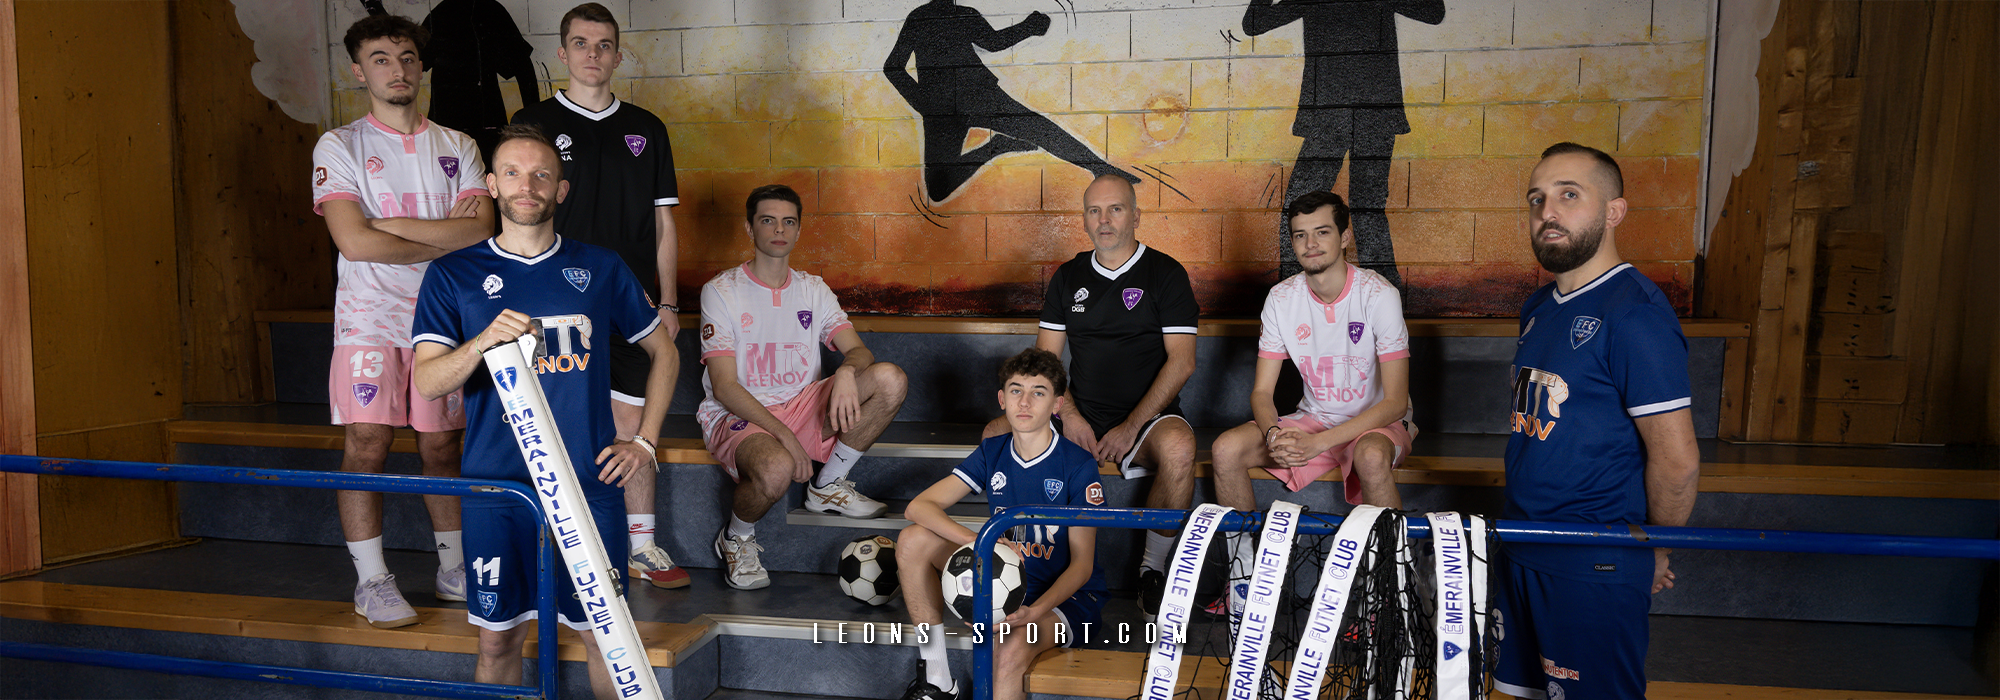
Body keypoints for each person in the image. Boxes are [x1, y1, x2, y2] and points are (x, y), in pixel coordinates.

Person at [410, 124, 679, 697]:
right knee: (497, 641)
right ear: (491, 185)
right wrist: (482, 342)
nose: (526, 186)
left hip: (587, 485)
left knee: (607, 639)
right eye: (512, 173)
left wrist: (645, 442)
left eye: (541, 175)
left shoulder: (600, 267)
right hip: (497, 488)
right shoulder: (452, 273)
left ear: (561, 189)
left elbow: (665, 352)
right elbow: (428, 381)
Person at [1493, 142, 1700, 700]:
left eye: (1569, 195)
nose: (1547, 211)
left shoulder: (1635, 314)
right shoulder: (1539, 307)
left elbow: (1677, 461)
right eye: (1536, 198)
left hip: (1592, 559)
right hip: (1521, 545)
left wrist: (1655, 548)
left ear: (1614, 211)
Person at [311, 13, 494, 629]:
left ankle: (453, 570)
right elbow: (354, 243)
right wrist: (440, 238)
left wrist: (386, 226)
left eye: (408, 57)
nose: (398, 69)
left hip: (442, 318)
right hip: (368, 319)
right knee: (368, 443)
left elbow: (481, 232)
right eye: (381, 59)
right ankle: (372, 582)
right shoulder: (339, 146)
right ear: (359, 71)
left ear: (422, 66)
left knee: (442, 446)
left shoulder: (459, 145)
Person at [510, 2, 689, 590]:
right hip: (554, 302)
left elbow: (664, 223)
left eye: (604, 44)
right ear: (563, 53)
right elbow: (516, 212)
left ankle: (642, 545)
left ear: (618, 54)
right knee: (553, 422)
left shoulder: (647, 127)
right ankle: (555, 543)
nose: (593, 54)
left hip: (629, 301)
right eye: (582, 44)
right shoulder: (534, 121)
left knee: (631, 424)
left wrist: (668, 301)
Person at [983, 173, 1197, 622]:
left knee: (1180, 448)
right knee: (995, 433)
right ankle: (1008, 556)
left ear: (1136, 215)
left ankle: (1153, 570)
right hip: (1076, 411)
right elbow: (1045, 364)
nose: (1104, 220)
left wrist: (1131, 427)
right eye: (1094, 210)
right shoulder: (1069, 277)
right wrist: (1071, 416)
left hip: (1147, 419)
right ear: (1083, 218)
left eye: (1115, 209)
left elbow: (1182, 363)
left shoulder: (1165, 273)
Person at [1208, 190, 1415, 616]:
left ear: (1345, 237)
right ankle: (1244, 583)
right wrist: (1273, 434)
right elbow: (1261, 393)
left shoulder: (1378, 294)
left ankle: (1386, 600)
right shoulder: (1282, 299)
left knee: (1370, 455)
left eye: (1322, 232)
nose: (1311, 244)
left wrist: (1317, 444)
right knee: (1225, 448)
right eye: (1300, 235)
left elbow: (1395, 403)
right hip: (1314, 420)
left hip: (1375, 422)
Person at [696, 184, 907, 590]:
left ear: (798, 230)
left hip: (801, 404)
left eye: (788, 221)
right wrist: (786, 437)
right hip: (740, 413)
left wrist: (845, 373)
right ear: (750, 228)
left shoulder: (813, 288)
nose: (779, 229)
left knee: (889, 379)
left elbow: (858, 351)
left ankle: (827, 485)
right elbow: (724, 387)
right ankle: (736, 537)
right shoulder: (721, 291)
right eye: (768, 220)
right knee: (776, 467)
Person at [897, 348, 1107, 700]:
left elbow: (1082, 567)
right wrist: (981, 541)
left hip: (1067, 601)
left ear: (1057, 404)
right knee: (912, 539)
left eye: (1038, 392)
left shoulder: (1078, 465)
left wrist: (1033, 612)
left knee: (1006, 651)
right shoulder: (992, 451)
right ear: (1002, 399)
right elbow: (918, 507)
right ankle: (937, 680)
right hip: (1005, 581)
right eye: (1015, 390)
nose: (1024, 402)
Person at [1241, 0, 1446, 284]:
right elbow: (1253, 24)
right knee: (1363, 208)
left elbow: (1433, 12)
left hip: (1345, 113)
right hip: (1364, 112)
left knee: (1343, 208)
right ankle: (1380, 292)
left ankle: (1301, 292)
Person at [884, 0, 1137, 201]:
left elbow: (993, 42)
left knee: (1040, 129)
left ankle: (1099, 167)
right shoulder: (919, 18)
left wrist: (1028, 27)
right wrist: (925, 104)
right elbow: (893, 67)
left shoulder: (965, 14)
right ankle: (995, 147)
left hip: (978, 94)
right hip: (942, 110)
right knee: (938, 190)